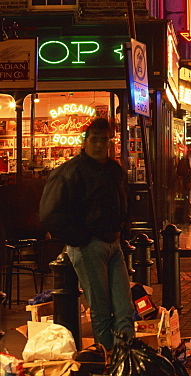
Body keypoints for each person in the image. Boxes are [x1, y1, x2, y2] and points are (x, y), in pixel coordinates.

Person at [38, 117, 133, 351]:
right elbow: (50, 214)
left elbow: (123, 202)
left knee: (124, 308)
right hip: (89, 246)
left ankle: (126, 360)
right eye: (95, 140)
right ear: (85, 142)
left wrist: (122, 231)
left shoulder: (113, 170)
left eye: (104, 140)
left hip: (112, 242)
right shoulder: (70, 172)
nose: (100, 145)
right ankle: (109, 363)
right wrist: (80, 239)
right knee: (101, 311)